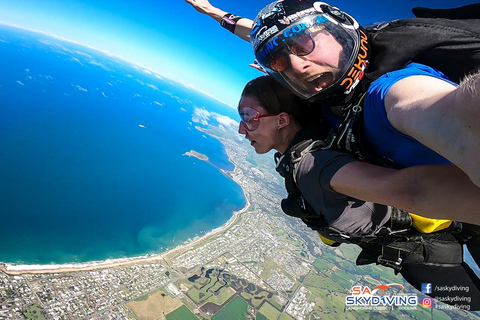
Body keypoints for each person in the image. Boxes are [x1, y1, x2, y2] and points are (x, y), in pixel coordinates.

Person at [238, 75, 480, 310]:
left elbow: (412, 190)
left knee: (475, 302)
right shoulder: (297, 156)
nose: (242, 129)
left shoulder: (313, 165)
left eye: (248, 117)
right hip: (417, 247)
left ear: (282, 120)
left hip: (431, 244)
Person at [186, 0, 480, 189]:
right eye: (279, 63)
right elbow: (265, 34)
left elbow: (446, 110)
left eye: (303, 45)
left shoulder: (392, 89)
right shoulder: (331, 104)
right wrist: (212, 12)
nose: (297, 65)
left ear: (338, 28)